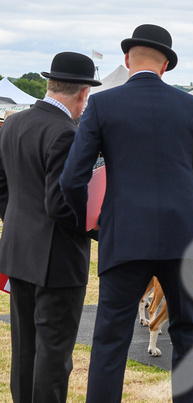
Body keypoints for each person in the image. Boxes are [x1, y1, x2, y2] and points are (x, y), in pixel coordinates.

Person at [59, 24, 193, 402]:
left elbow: (72, 179)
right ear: (166, 66)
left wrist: (91, 223)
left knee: (111, 338)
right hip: (182, 235)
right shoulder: (191, 106)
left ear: (128, 59)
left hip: (124, 234)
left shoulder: (102, 103)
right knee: (188, 332)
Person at [0, 52, 101, 403]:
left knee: (25, 350)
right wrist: (98, 227)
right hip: (56, 261)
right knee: (54, 357)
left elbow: (3, 187)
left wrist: (17, 222)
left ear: (49, 84)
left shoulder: (12, 123)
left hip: (17, 251)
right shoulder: (65, 133)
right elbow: (60, 205)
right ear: (83, 93)